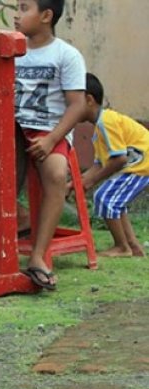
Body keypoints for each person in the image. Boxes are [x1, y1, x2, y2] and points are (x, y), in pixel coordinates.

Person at [14, 0, 86, 291]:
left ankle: (37, 256)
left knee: (57, 175)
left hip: (49, 131)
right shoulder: (10, 50)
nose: (16, 15)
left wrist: (52, 139)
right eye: (16, 8)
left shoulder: (66, 55)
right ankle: (21, 219)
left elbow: (78, 105)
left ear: (46, 16)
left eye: (23, 8)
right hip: (13, 130)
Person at [71, 73, 148, 257]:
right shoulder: (99, 127)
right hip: (137, 164)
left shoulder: (107, 122)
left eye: (72, 103)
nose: (69, 109)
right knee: (115, 201)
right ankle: (133, 245)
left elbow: (119, 159)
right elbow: (100, 164)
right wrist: (76, 183)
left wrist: (91, 182)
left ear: (89, 100)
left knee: (104, 197)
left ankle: (121, 247)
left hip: (141, 165)